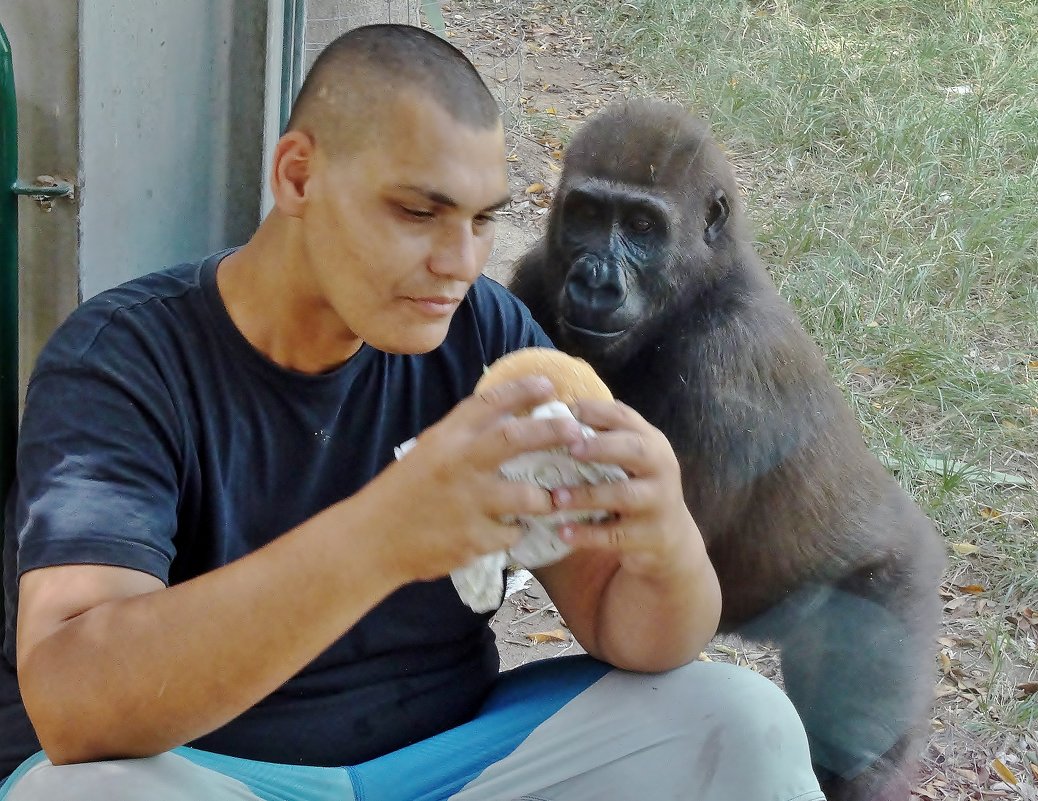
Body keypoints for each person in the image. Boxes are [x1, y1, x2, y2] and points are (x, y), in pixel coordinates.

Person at [0, 24, 826, 801]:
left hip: (454, 764)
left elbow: (626, 627)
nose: (459, 262)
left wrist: (664, 537)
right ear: (297, 175)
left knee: (736, 720)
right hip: (217, 774)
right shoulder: (123, 358)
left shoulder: (487, 336)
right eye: (418, 211)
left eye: (481, 220)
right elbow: (72, 707)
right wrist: (385, 535)